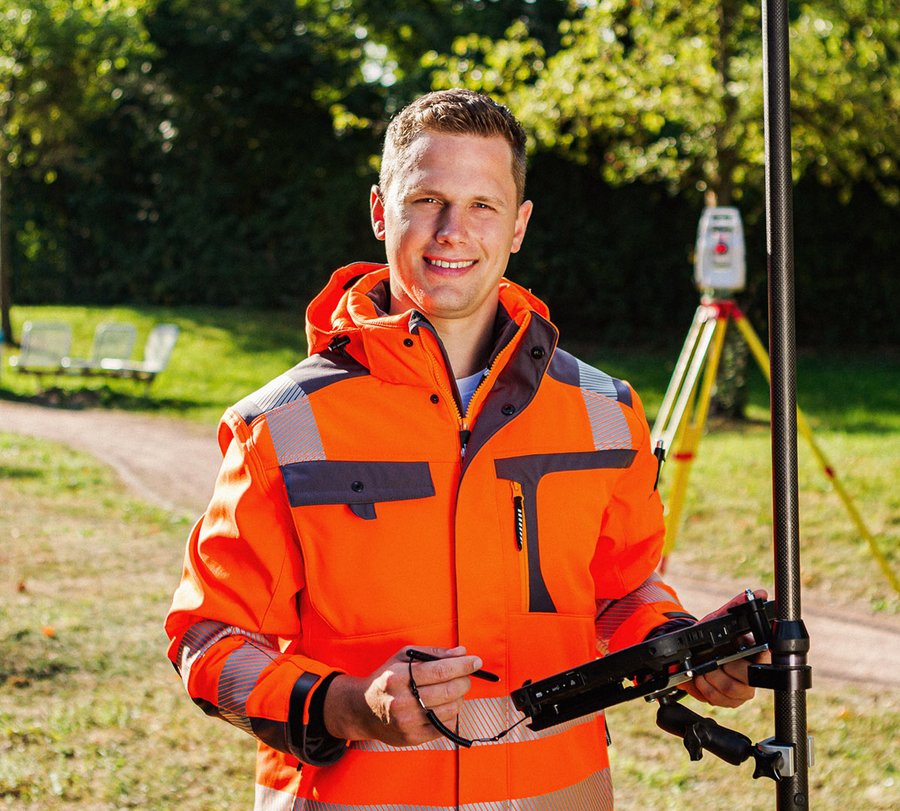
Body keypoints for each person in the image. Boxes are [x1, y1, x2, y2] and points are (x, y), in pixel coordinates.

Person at [165, 89, 765, 810]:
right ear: (381, 210)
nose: (453, 230)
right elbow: (210, 641)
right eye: (426, 199)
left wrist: (683, 648)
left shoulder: (607, 412)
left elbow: (620, 591)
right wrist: (346, 704)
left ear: (519, 225)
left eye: (483, 204)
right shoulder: (280, 427)